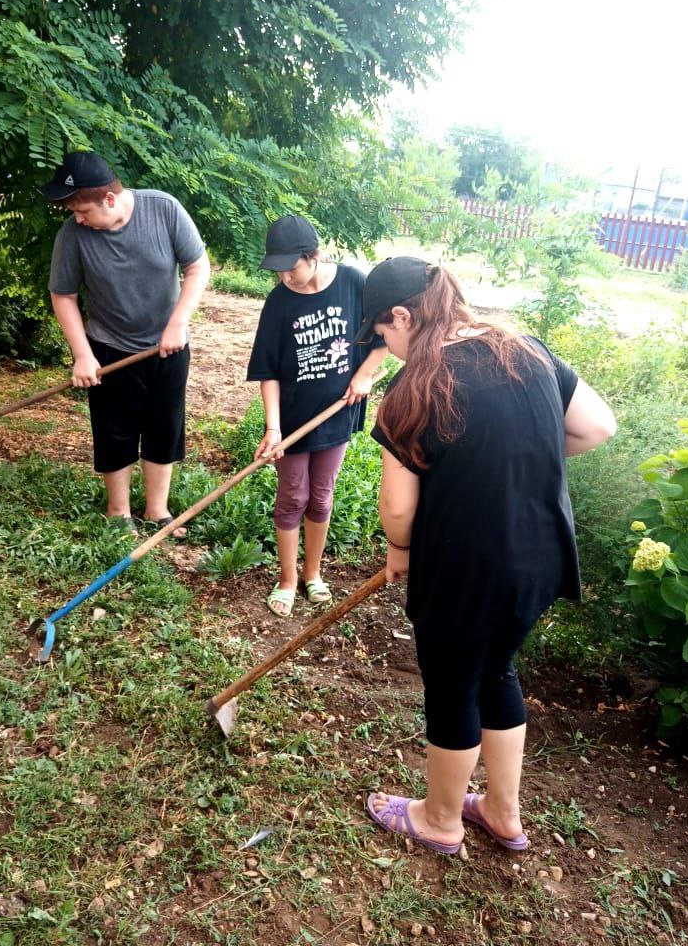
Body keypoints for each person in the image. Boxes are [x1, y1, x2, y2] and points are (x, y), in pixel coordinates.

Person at [360, 256, 616, 854]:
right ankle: (502, 812)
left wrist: (400, 550)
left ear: (402, 315)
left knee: (452, 684)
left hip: (465, 569)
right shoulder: (525, 348)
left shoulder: (414, 388)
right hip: (541, 559)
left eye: (382, 334)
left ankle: (440, 819)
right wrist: (517, 466)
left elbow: (398, 510)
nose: (387, 347)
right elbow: (597, 425)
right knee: (496, 668)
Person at [42, 151, 210, 532]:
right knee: (114, 429)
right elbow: (63, 295)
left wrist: (177, 324)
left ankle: (157, 510)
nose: (77, 218)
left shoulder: (164, 210)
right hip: (108, 347)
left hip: (167, 347)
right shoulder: (72, 236)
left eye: (82, 210)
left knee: (163, 426)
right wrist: (82, 355)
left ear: (109, 199)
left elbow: (198, 266)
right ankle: (118, 514)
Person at [247, 215, 387, 616]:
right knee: (293, 496)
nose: (286, 276)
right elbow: (267, 372)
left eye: (292, 266)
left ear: (315, 256)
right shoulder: (278, 302)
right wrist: (273, 428)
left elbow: (383, 339)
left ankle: (313, 575)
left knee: (322, 496)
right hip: (291, 421)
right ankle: (287, 579)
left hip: (337, 414)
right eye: (278, 269)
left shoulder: (354, 284)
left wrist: (363, 376)